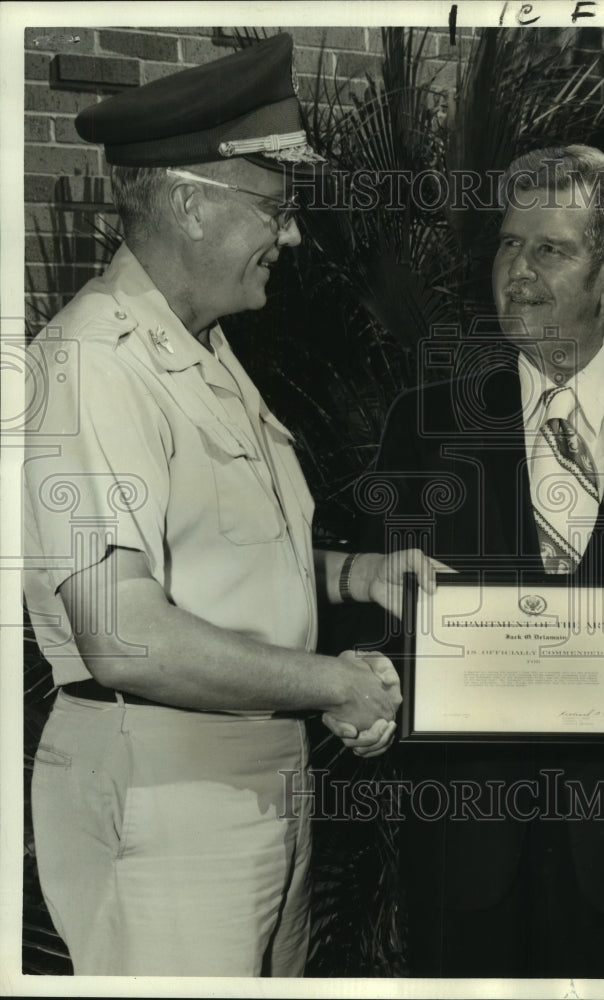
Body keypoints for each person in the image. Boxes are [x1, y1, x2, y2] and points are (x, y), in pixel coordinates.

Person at [22, 35, 435, 978]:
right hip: (166, 787)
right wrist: (337, 683)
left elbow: (218, 554)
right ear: (188, 204)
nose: (289, 237)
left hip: (251, 774)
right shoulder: (95, 365)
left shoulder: (202, 348)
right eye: (275, 210)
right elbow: (126, 635)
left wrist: (353, 574)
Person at [354, 145, 604, 977]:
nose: (517, 270)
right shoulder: (427, 421)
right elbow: (373, 592)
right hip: (463, 844)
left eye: (550, 249)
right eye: (509, 245)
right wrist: (366, 675)